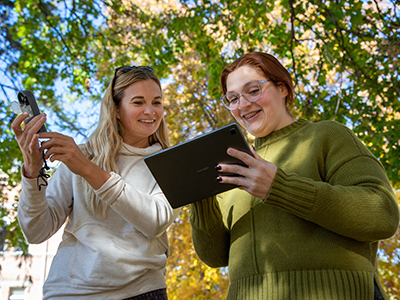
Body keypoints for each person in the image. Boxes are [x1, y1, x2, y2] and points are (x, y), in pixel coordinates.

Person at [189, 52, 400, 300]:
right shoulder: (234, 165)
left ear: (283, 88)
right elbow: (215, 256)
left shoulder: (327, 136)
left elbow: (382, 214)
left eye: (253, 91)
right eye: (232, 98)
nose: (242, 104)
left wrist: (279, 187)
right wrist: (198, 194)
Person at [12, 66, 179, 299]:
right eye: (139, 102)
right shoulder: (81, 156)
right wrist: (32, 171)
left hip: (140, 291)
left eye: (157, 102)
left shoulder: (171, 162)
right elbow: (36, 231)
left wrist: (89, 170)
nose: (151, 111)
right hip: (69, 293)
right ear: (117, 109)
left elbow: (155, 221)